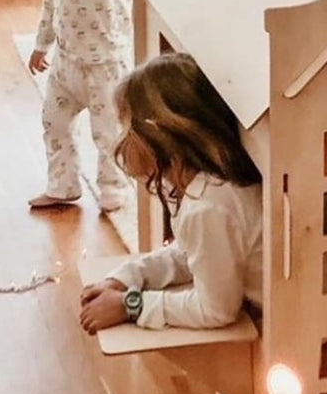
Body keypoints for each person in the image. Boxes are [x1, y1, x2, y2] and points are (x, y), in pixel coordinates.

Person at [79, 52, 264, 333]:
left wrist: (131, 305)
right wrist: (128, 277)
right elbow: (190, 255)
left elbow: (215, 310)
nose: (122, 142)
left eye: (128, 129)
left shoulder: (209, 207)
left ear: (159, 134)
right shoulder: (207, 188)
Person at [28, 0, 133, 212]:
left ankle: (113, 188)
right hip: (66, 63)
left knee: (108, 133)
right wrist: (41, 44)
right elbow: (50, 4)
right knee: (54, 123)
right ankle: (63, 183)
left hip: (105, 66)